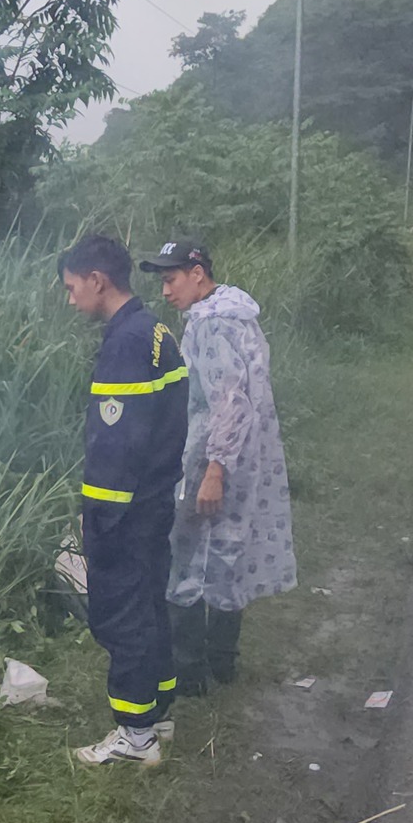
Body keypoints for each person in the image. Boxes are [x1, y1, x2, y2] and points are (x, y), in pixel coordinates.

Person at [141, 239, 297, 696]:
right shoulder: (237, 314)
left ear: (197, 273)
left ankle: (189, 674)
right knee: (226, 550)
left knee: (186, 556)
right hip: (247, 457)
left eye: (171, 280)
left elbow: (228, 401)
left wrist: (213, 470)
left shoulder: (211, 324)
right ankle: (223, 663)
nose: (165, 292)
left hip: (215, 454)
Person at [58, 233, 189, 767]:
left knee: (123, 616)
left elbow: (116, 447)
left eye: (72, 288)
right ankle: (157, 715)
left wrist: (99, 519)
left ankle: (135, 738)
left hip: (128, 511)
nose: (71, 300)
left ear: (97, 281)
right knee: (151, 608)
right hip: (157, 501)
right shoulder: (156, 329)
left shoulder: (126, 342)